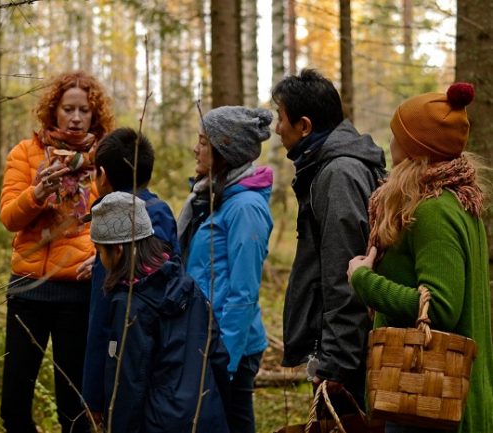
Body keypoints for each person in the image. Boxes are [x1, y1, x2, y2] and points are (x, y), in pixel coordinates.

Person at [347, 83, 493, 433]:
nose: (391, 143)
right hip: (431, 395)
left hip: (429, 401)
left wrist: (363, 280)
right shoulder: (452, 200)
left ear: (415, 148)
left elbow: (440, 307)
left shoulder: (432, 211)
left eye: (398, 135)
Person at [0, 70, 114, 433]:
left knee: (73, 407)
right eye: (68, 109)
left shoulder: (105, 158)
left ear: (95, 115)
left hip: (77, 292)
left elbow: (120, 217)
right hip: (28, 288)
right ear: (54, 111)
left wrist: (104, 257)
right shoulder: (26, 153)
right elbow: (9, 218)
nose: (76, 118)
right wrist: (36, 193)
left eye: (84, 110)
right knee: (13, 404)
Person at [271, 69, 385, 409]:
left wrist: (337, 361)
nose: (277, 129)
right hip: (347, 348)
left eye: (281, 119)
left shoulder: (338, 174)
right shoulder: (330, 167)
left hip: (348, 358)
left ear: (304, 126)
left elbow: (343, 271)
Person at [90, 191, 229, 433]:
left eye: (100, 251)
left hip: (159, 423)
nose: (100, 259)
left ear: (119, 250)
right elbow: (217, 354)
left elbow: (127, 385)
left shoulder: (130, 305)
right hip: (205, 413)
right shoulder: (186, 283)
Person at [178, 106, 274, 433]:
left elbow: (244, 292)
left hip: (231, 345)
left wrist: (225, 362)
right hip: (210, 336)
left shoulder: (245, 208)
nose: (196, 148)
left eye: (203, 142)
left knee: (233, 423)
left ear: (224, 151)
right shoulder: (215, 198)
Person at [80, 127, 180, 425]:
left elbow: (102, 315)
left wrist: (93, 395)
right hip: (168, 359)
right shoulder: (161, 212)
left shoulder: (114, 226)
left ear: (102, 176)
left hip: (124, 362)